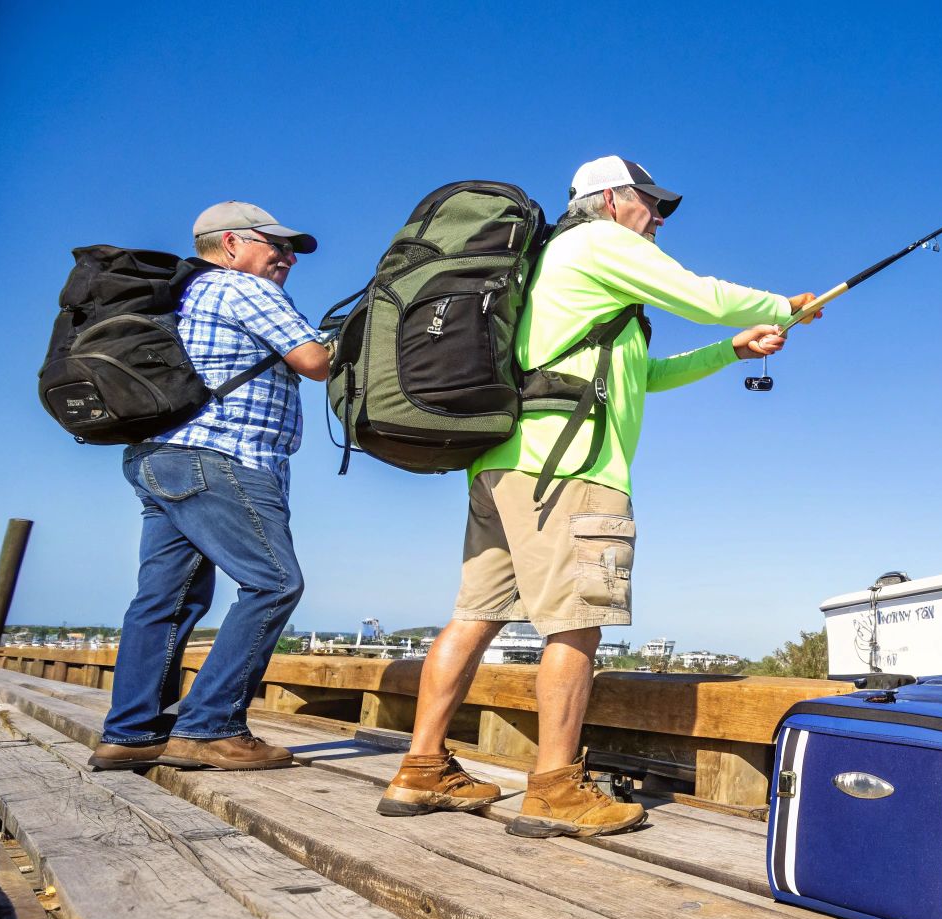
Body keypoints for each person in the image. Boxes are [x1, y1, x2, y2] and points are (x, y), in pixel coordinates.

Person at [378, 156, 821, 837]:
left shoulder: (560, 263)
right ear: (611, 199)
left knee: (474, 616)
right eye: (652, 202)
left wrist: (730, 351)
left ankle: (420, 768)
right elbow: (699, 295)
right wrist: (785, 306)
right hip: (573, 468)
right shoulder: (598, 241)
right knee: (576, 624)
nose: (661, 217)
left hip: (504, 469)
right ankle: (554, 787)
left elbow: (646, 374)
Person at [89, 202, 331, 772]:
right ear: (230, 243)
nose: (288, 257)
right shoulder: (243, 289)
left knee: (166, 600)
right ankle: (209, 726)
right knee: (273, 582)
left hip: (160, 459)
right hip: (222, 456)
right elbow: (314, 361)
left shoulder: (186, 294)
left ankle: (130, 732)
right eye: (277, 245)